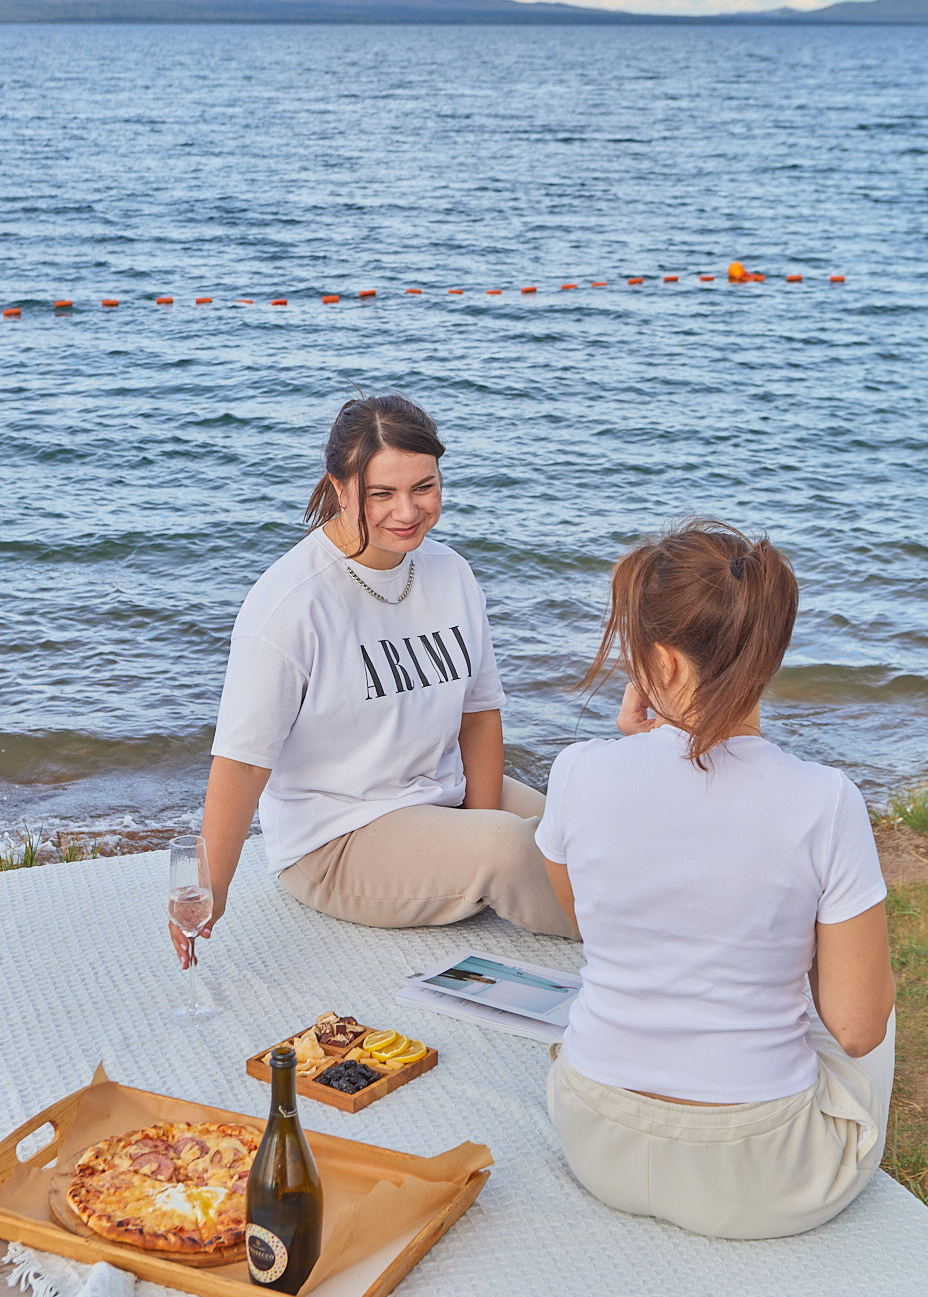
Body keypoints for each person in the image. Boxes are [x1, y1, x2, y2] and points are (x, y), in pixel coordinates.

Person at [537, 518, 894, 1240]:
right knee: (870, 1003)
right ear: (768, 651)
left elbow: (592, 921)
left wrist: (640, 749)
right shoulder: (825, 800)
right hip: (761, 1175)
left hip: (597, 1135)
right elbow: (857, 1032)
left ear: (662, 662)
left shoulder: (577, 772)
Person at [171, 393, 572, 964]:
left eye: (424, 487)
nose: (407, 512)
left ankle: (680, 906)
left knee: (574, 825)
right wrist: (214, 889)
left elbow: (479, 713)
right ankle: (650, 941)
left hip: (441, 795)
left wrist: (477, 819)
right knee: (509, 850)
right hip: (337, 839)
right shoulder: (291, 603)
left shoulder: (451, 573)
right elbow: (242, 762)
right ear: (340, 488)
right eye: (381, 493)